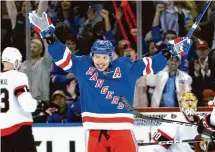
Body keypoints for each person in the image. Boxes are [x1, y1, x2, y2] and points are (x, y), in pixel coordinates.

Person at [28, 10, 191, 152]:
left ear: (111, 57)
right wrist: (48, 34)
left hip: (122, 132)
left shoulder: (125, 67)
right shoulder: (83, 66)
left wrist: (172, 50)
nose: (100, 61)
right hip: (95, 133)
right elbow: (62, 57)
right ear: (92, 55)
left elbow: (152, 64)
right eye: (97, 57)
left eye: (104, 57)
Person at [0, 47, 38, 152]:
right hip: (20, 128)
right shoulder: (18, 76)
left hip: (2, 132)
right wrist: (36, 104)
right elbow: (27, 104)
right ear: (15, 61)